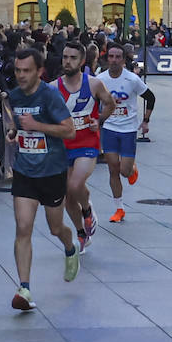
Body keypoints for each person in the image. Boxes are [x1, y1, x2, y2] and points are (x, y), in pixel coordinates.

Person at [5, 48, 81, 311]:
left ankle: (70, 247)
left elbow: (69, 131)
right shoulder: (13, 96)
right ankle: (24, 288)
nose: (21, 75)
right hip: (25, 171)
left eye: (26, 71)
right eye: (17, 70)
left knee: (55, 228)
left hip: (52, 172)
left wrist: (37, 126)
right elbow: (16, 124)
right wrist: (13, 132)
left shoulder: (50, 96)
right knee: (23, 227)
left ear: (39, 72)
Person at [56, 41, 115, 252]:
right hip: (64, 146)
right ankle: (81, 234)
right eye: (65, 57)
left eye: (72, 58)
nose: (68, 61)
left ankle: (87, 210)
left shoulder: (93, 84)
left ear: (82, 61)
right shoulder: (54, 87)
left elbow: (110, 103)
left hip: (88, 143)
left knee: (75, 185)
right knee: (68, 197)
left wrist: (99, 120)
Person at [95, 43, 152, 223]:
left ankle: (132, 169)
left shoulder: (132, 79)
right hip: (109, 129)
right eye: (111, 57)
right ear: (107, 58)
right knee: (113, 169)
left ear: (123, 60)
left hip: (128, 129)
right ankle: (119, 208)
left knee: (124, 171)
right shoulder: (100, 79)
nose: (114, 60)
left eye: (117, 57)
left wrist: (146, 121)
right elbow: (92, 101)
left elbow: (151, 97)